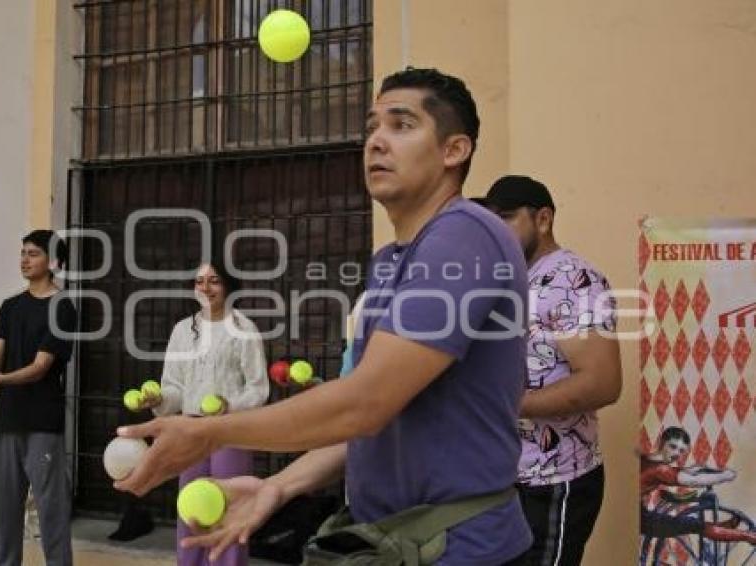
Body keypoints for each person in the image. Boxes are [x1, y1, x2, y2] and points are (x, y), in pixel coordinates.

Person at [116, 67, 533, 565]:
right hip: (394, 542)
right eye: (372, 127)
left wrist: (209, 431)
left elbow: (366, 403)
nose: (376, 141)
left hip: (462, 550)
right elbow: (374, 421)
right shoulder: (392, 261)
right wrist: (279, 485)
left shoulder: (465, 236)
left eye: (401, 125)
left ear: (453, 150)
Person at [483, 176, 623, 565]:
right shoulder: (509, 280)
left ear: (542, 219)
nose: (497, 231)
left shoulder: (575, 281)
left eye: (507, 218)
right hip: (505, 477)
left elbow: (603, 383)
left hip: (554, 480)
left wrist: (507, 405)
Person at [137, 259, 269, 566]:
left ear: (228, 287)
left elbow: (258, 388)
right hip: (190, 430)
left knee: (228, 509)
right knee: (191, 509)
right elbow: (174, 387)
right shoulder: (183, 330)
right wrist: (157, 398)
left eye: (214, 281)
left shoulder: (244, 329)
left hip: (231, 431)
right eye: (199, 281)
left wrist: (230, 405)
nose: (205, 288)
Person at [0, 230, 77, 566]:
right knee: (4, 515)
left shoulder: (63, 308)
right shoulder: (11, 306)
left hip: (42, 422)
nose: (24, 260)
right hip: (5, 420)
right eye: (23, 253)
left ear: (53, 262)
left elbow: (40, 367)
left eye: (33, 254)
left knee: (51, 515)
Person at [640, 427, 756, 545]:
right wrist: (726, 475)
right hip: (639, 520)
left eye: (681, 451)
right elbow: (692, 480)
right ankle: (748, 536)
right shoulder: (661, 470)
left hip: (636, 514)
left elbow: (674, 472)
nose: (676, 454)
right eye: (673, 447)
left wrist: (691, 469)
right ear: (662, 442)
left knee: (692, 523)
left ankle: (721, 528)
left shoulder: (643, 459)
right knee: (695, 526)